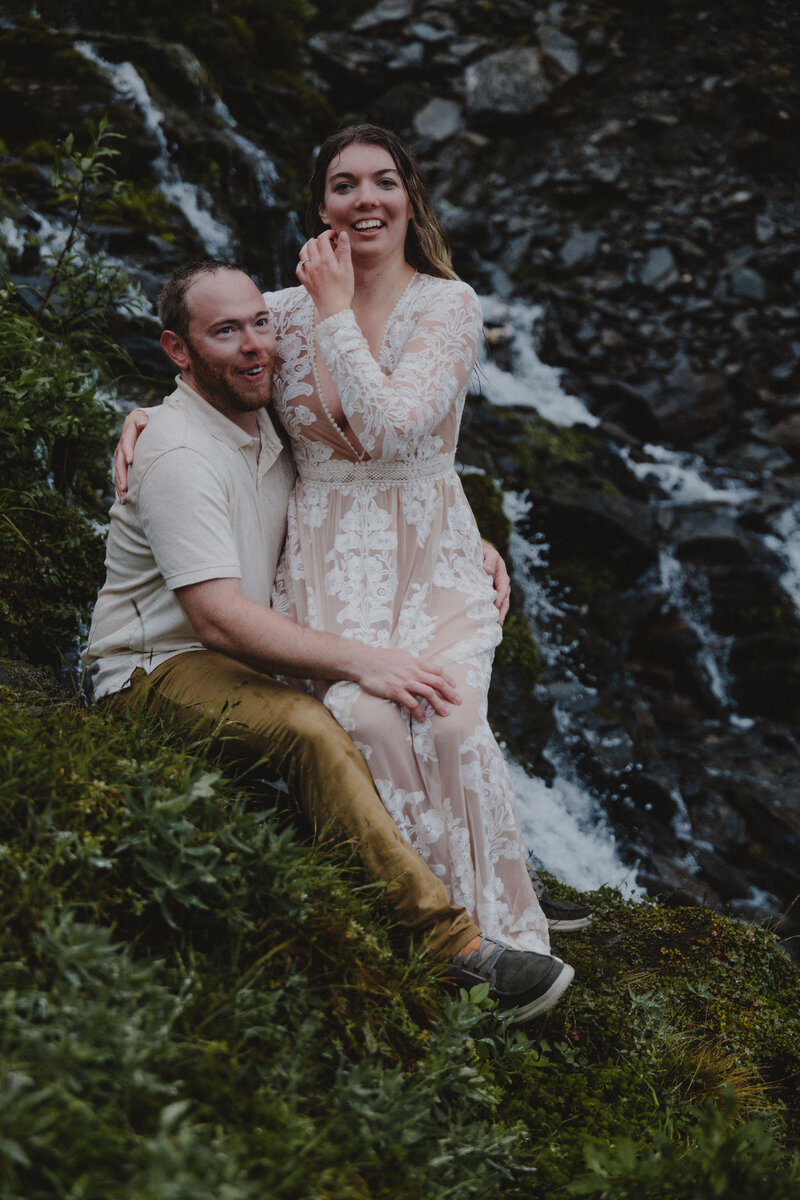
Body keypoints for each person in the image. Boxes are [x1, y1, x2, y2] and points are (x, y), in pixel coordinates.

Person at [94, 260, 576, 1022]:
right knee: (315, 728)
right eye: (225, 332)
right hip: (162, 666)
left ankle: (491, 874)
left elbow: (390, 469)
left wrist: (466, 541)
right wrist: (364, 659)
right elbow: (216, 619)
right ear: (177, 351)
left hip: (247, 650)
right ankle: (450, 947)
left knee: (419, 700)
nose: (256, 345)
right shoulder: (180, 454)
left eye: (260, 323)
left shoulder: (264, 421)